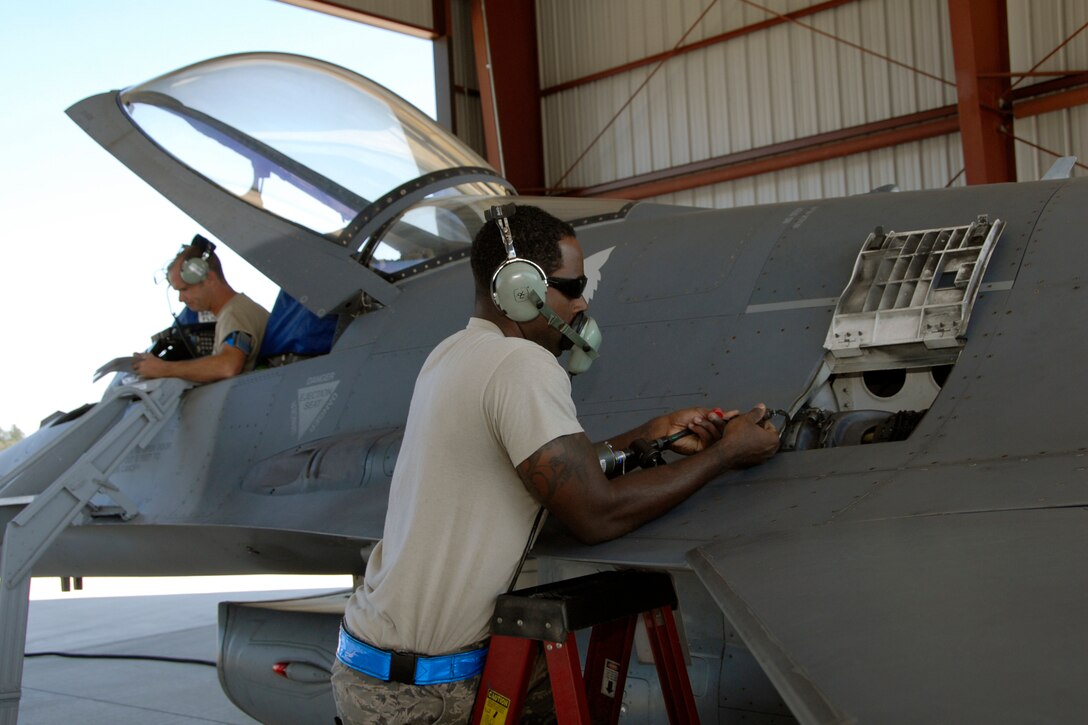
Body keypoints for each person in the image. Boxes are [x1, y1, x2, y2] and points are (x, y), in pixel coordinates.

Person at [331, 205, 780, 724]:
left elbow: (548, 468)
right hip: (426, 693)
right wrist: (728, 454)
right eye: (572, 286)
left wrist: (647, 436)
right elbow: (595, 514)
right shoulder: (521, 365)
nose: (583, 301)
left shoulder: (454, 353)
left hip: (376, 664)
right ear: (522, 289)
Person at [132, 235, 269, 382]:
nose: (181, 298)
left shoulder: (235, 313)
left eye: (184, 289)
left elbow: (228, 366)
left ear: (209, 278)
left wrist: (163, 369)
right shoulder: (232, 313)